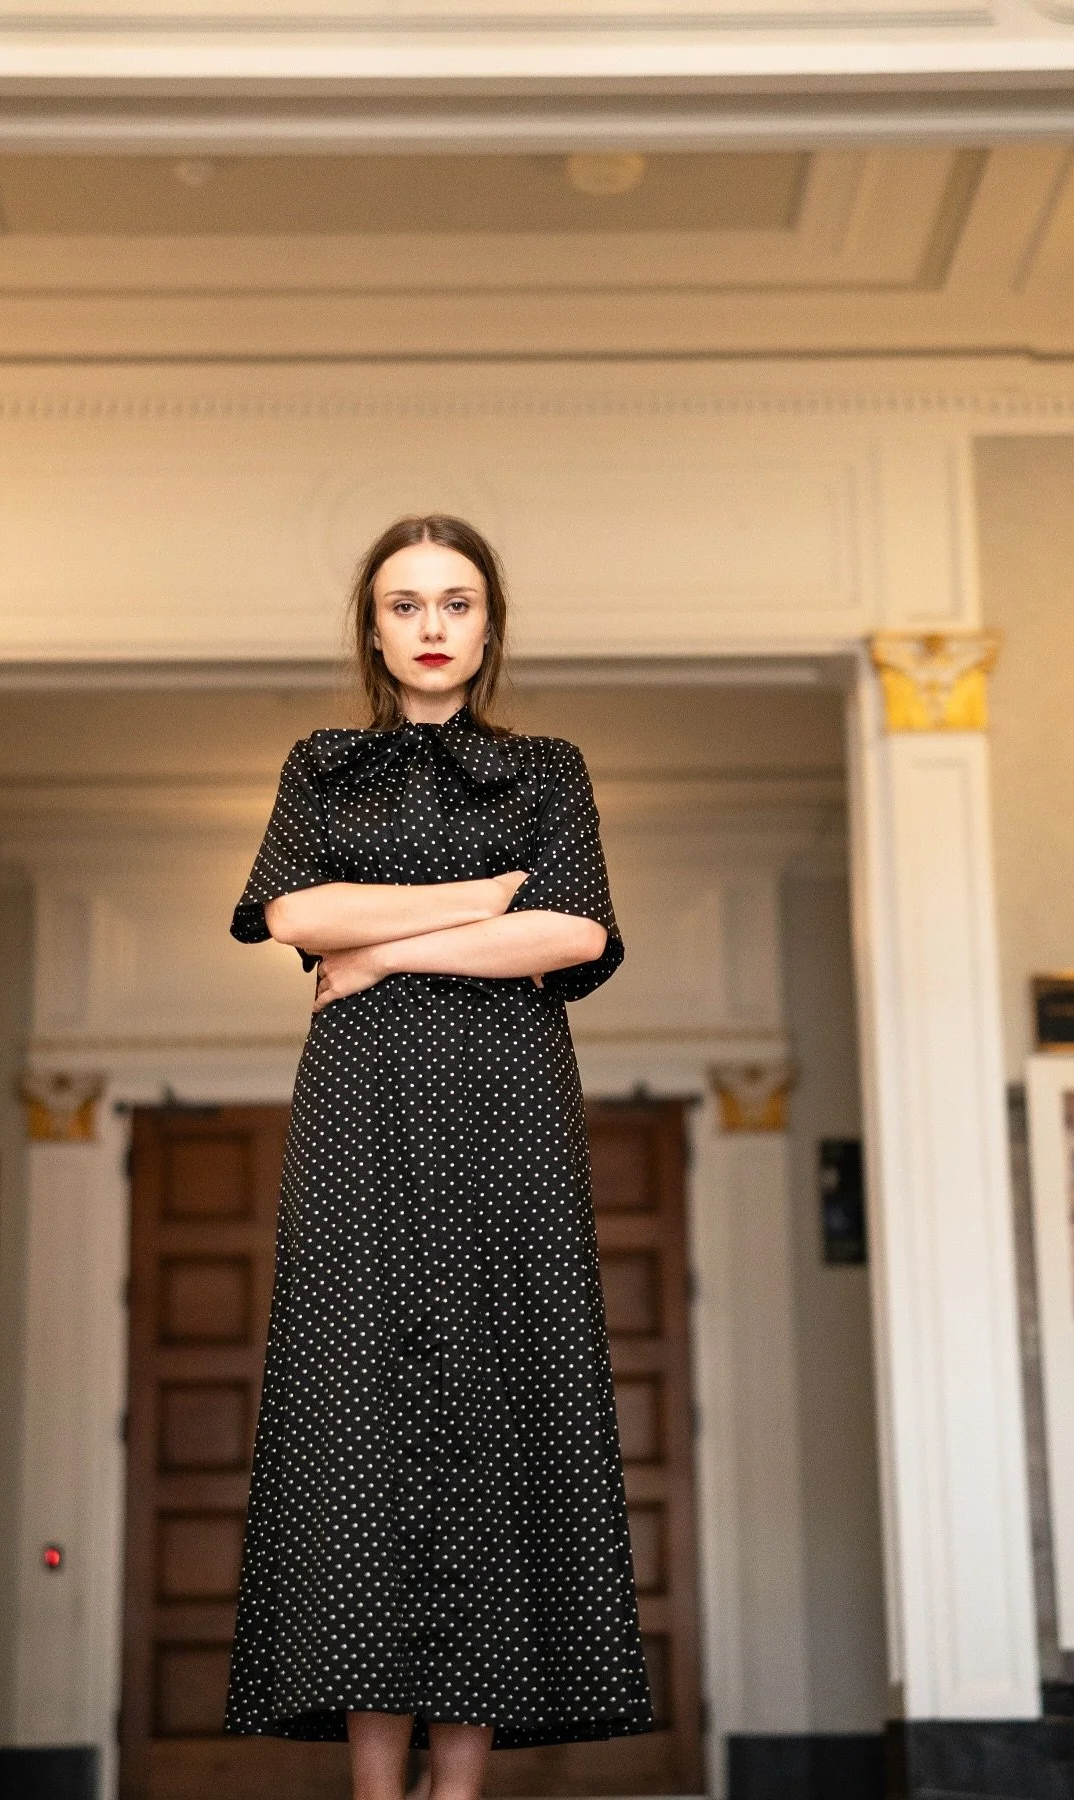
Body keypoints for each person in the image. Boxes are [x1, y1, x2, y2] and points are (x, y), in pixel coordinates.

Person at [226, 515, 651, 1800]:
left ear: (488, 625)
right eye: (404, 603)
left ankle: (458, 1792)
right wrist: (482, 899)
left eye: (455, 603)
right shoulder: (322, 765)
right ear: (371, 625)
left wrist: (376, 949)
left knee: (499, 1419)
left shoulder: (549, 769)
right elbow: (294, 912)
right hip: (358, 1119)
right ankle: (374, 1790)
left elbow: (571, 935)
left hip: (508, 1118)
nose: (429, 625)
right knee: (354, 1428)